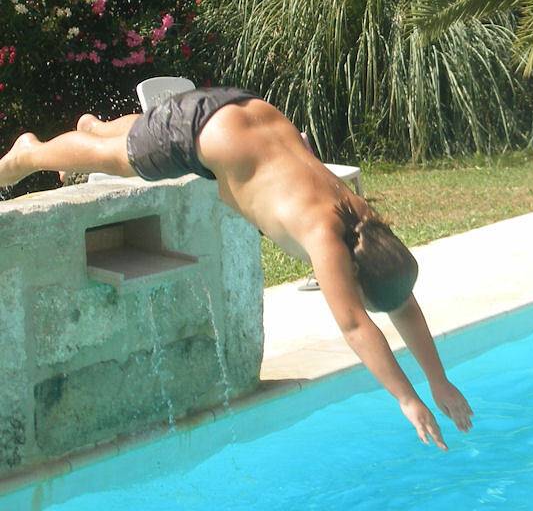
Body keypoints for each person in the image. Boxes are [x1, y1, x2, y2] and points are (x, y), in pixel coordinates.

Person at [0, 87, 473, 449]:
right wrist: (407, 398)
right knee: (116, 160)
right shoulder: (325, 237)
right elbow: (355, 326)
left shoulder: (365, 224)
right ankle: (28, 153)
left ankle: (96, 127)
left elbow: (402, 303)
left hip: (241, 110)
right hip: (197, 133)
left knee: (139, 136)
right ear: (354, 275)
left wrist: (438, 380)